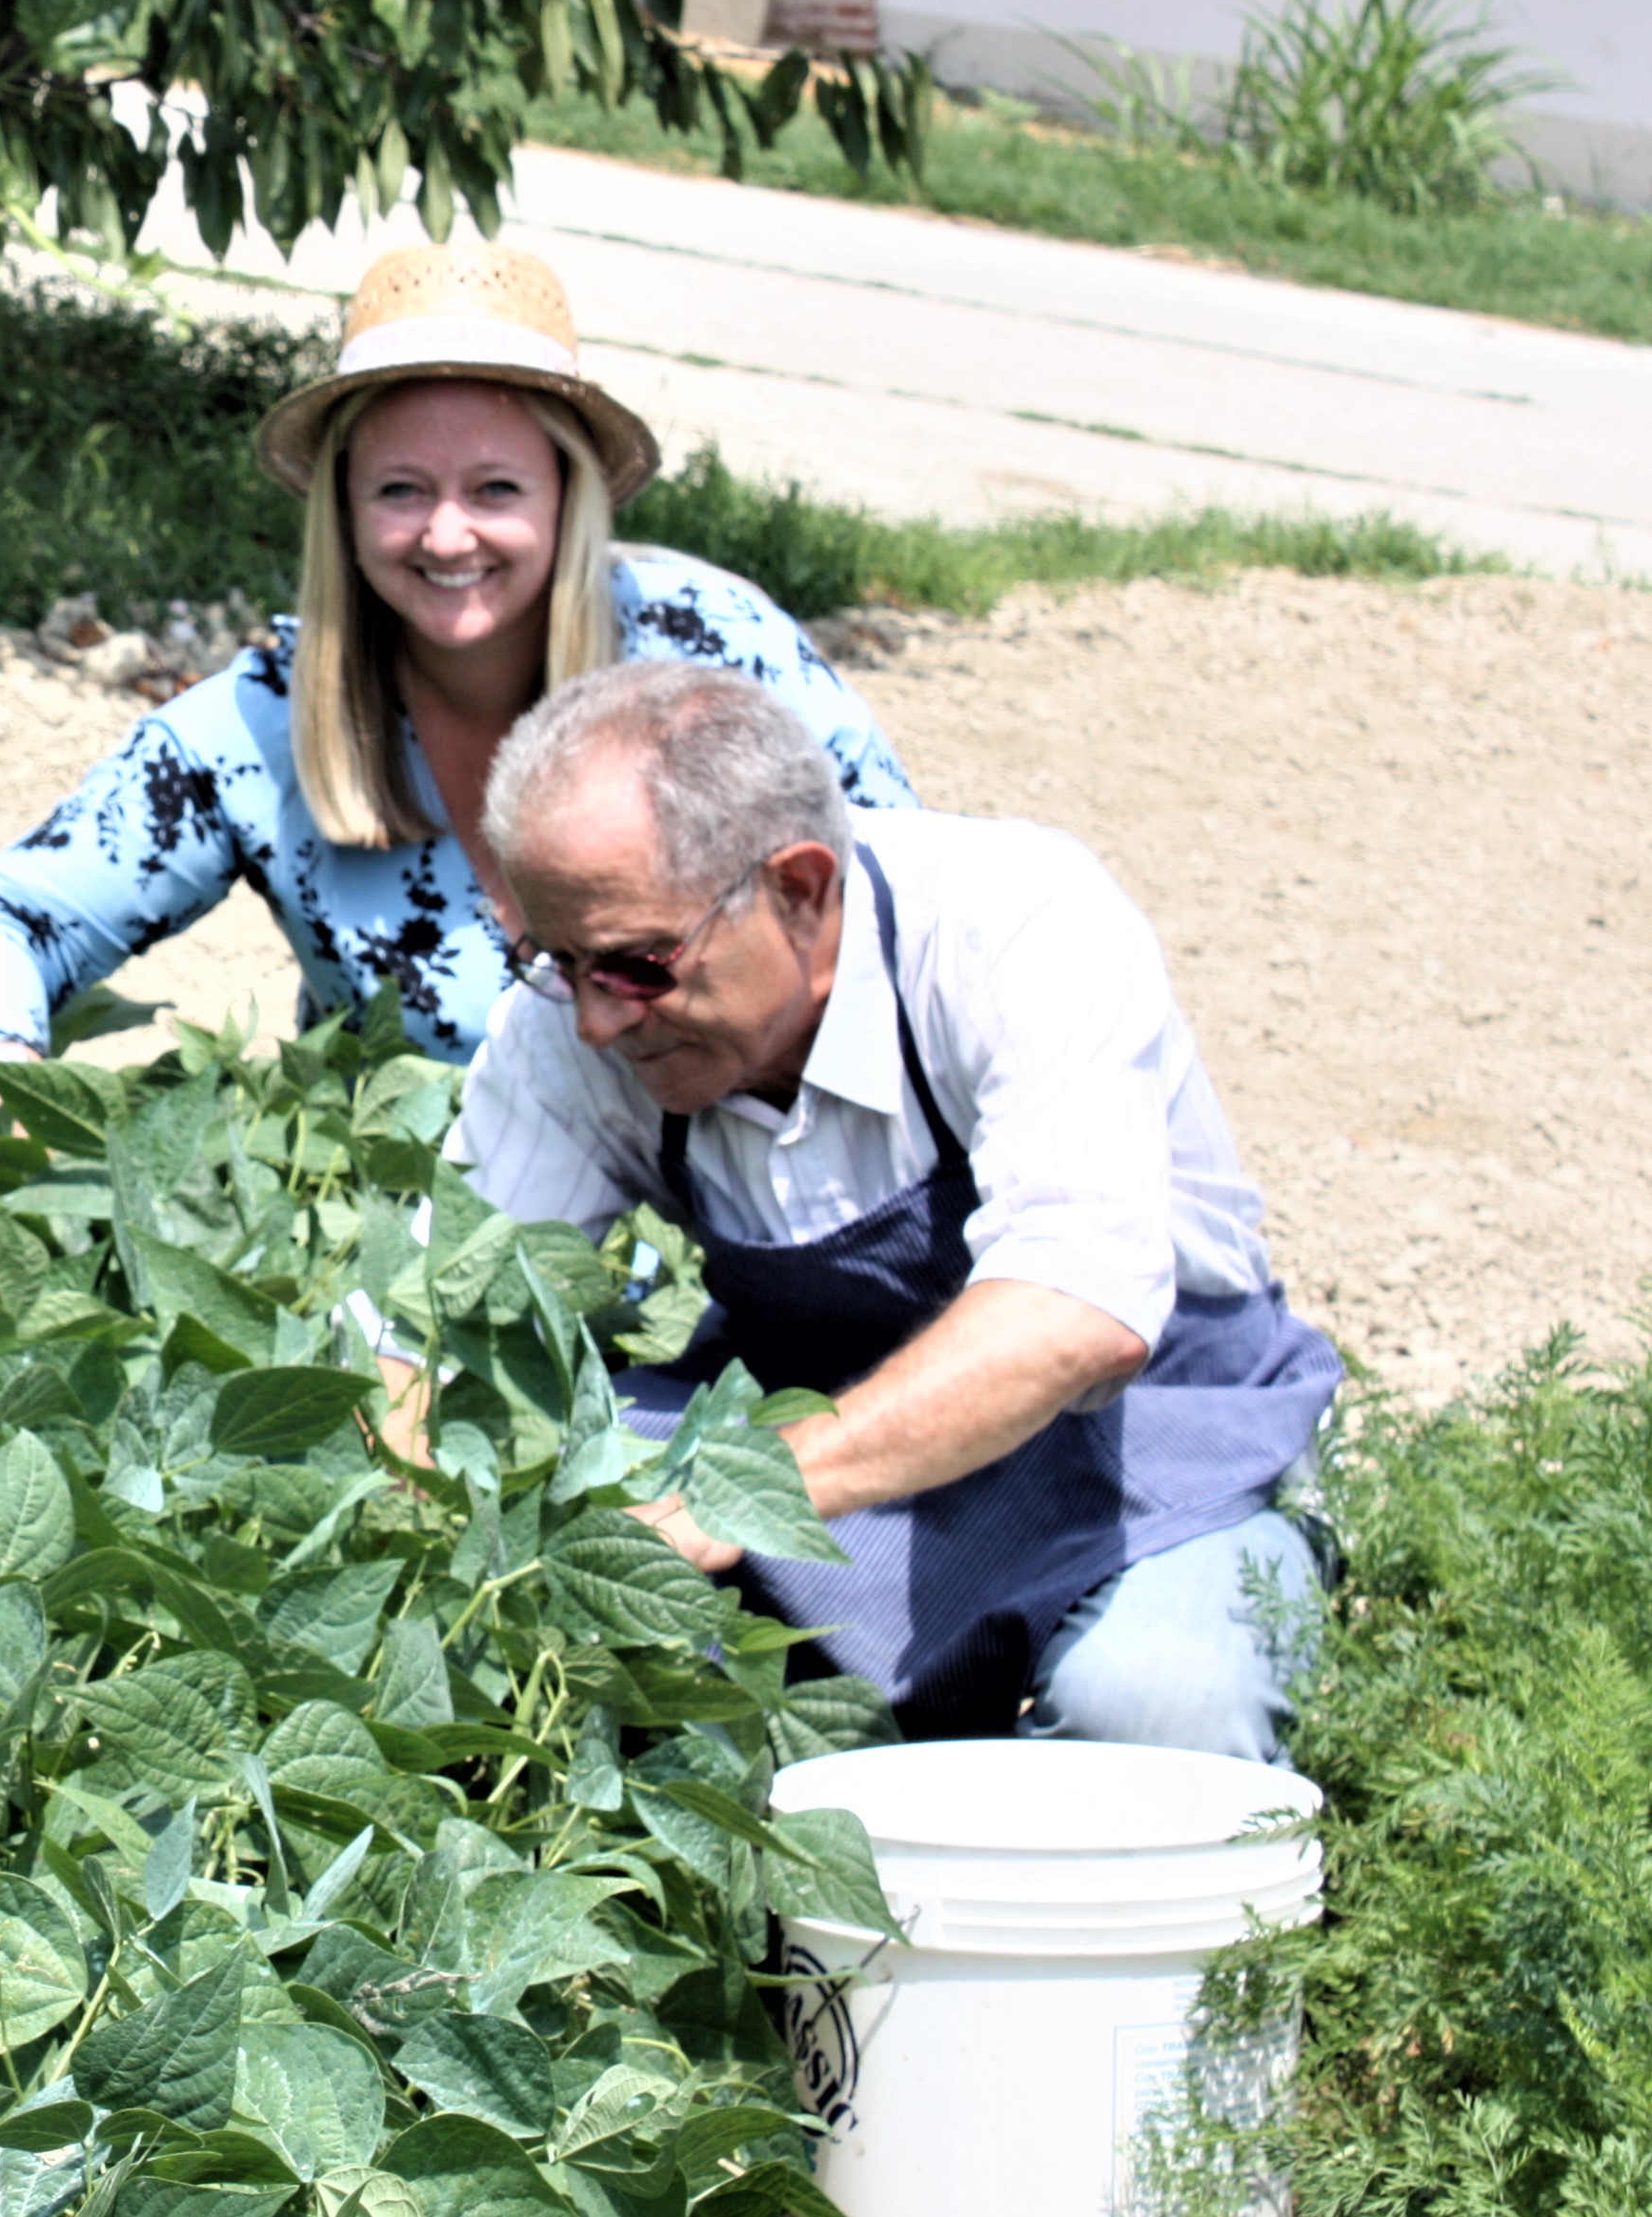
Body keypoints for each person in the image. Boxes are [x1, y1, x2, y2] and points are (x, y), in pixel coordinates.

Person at [453, 660, 1339, 1762]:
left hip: (1140, 1444)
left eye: (639, 966)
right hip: (824, 1446)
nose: (592, 1020)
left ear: (801, 887)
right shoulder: (583, 1012)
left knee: (1154, 1709)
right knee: (571, 1624)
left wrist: (746, 1496)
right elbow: (443, 1312)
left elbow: (1076, 1313)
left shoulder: (1012, 926)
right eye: (553, 958)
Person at [0, 242, 916, 1066]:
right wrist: (10, 1084)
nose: (446, 536)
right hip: (413, 1270)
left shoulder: (708, 643)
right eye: (399, 490)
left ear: (568, 499)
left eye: (494, 490)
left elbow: (909, 897)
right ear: (341, 510)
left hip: (733, 1223)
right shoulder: (269, 724)